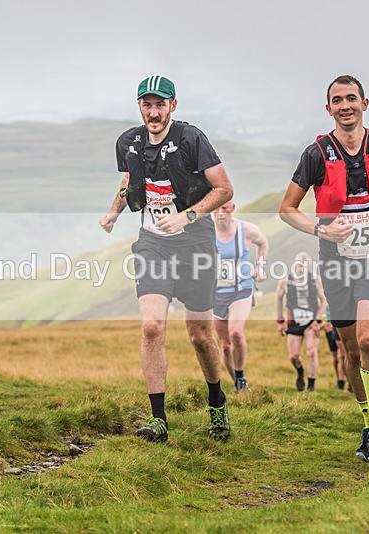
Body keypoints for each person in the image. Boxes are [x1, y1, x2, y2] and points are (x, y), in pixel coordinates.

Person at [279, 75, 369, 462]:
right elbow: (287, 209)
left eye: (351, 98)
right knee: (351, 350)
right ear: (329, 109)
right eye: (337, 100)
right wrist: (321, 228)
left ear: (364, 103)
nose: (345, 105)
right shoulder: (316, 154)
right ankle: (367, 423)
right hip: (335, 262)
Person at [100, 76, 234, 443]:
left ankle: (216, 401)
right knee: (152, 327)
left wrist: (187, 216)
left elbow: (224, 189)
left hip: (195, 244)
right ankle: (158, 418)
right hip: (153, 244)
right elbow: (130, 180)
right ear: (139, 106)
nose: (153, 112)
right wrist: (114, 210)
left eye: (161, 105)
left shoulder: (192, 139)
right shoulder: (128, 141)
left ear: (173, 106)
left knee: (200, 336)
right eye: (147, 104)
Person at [213, 201, 268, 392]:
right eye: (217, 209)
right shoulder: (206, 232)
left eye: (225, 208)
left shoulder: (246, 230)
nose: (221, 213)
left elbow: (263, 243)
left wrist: (260, 266)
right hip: (217, 294)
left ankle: (241, 378)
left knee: (235, 332)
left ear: (233, 208)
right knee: (226, 346)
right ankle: (238, 384)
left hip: (241, 289)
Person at [275, 252, 327, 392]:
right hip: (294, 322)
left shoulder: (316, 280)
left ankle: (311, 387)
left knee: (311, 352)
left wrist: (317, 320)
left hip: (311, 322)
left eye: (305, 265)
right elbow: (278, 299)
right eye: (299, 264)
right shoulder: (285, 280)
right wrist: (280, 320)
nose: (301, 267)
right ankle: (300, 371)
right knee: (293, 357)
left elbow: (324, 302)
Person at [324, 308, 348, 391]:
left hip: (342, 323)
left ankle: (345, 382)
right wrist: (325, 321)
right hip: (329, 326)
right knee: (335, 357)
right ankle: (339, 379)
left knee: (342, 355)